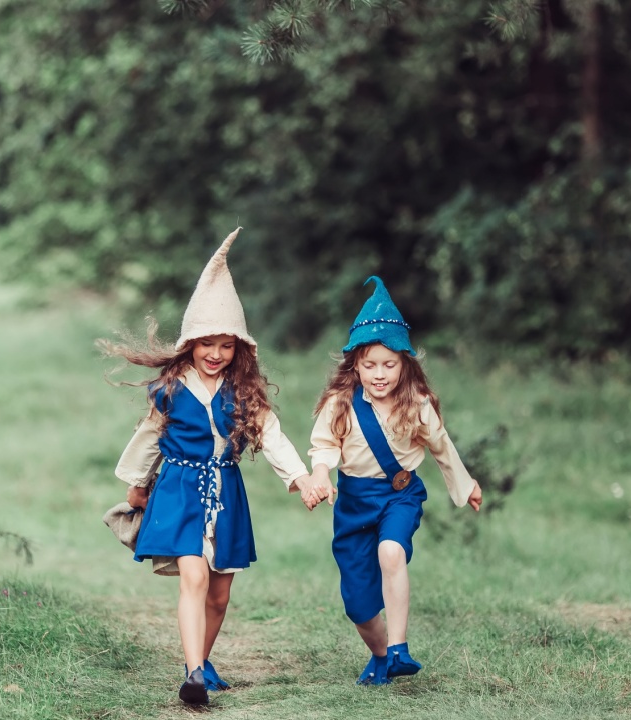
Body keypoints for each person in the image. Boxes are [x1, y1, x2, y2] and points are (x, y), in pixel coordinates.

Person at [102, 228, 315, 707]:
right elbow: (150, 436)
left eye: (225, 345)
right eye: (206, 344)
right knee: (194, 578)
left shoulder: (245, 394)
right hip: (178, 489)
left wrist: (299, 478)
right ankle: (194, 676)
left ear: (239, 348)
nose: (215, 354)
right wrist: (138, 486)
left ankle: (198, 661)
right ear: (190, 343)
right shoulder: (172, 388)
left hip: (226, 491)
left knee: (219, 595)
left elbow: (272, 436)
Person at [303, 276, 483, 685]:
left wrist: (465, 483)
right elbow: (324, 447)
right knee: (359, 605)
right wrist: (319, 475)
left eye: (389, 364)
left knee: (391, 552)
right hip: (352, 502)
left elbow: (441, 446)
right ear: (355, 365)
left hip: (399, 496)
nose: (379, 374)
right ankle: (382, 654)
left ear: (405, 364)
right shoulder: (340, 403)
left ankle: (400, 648)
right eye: (370, 365)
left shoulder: (416, 404)